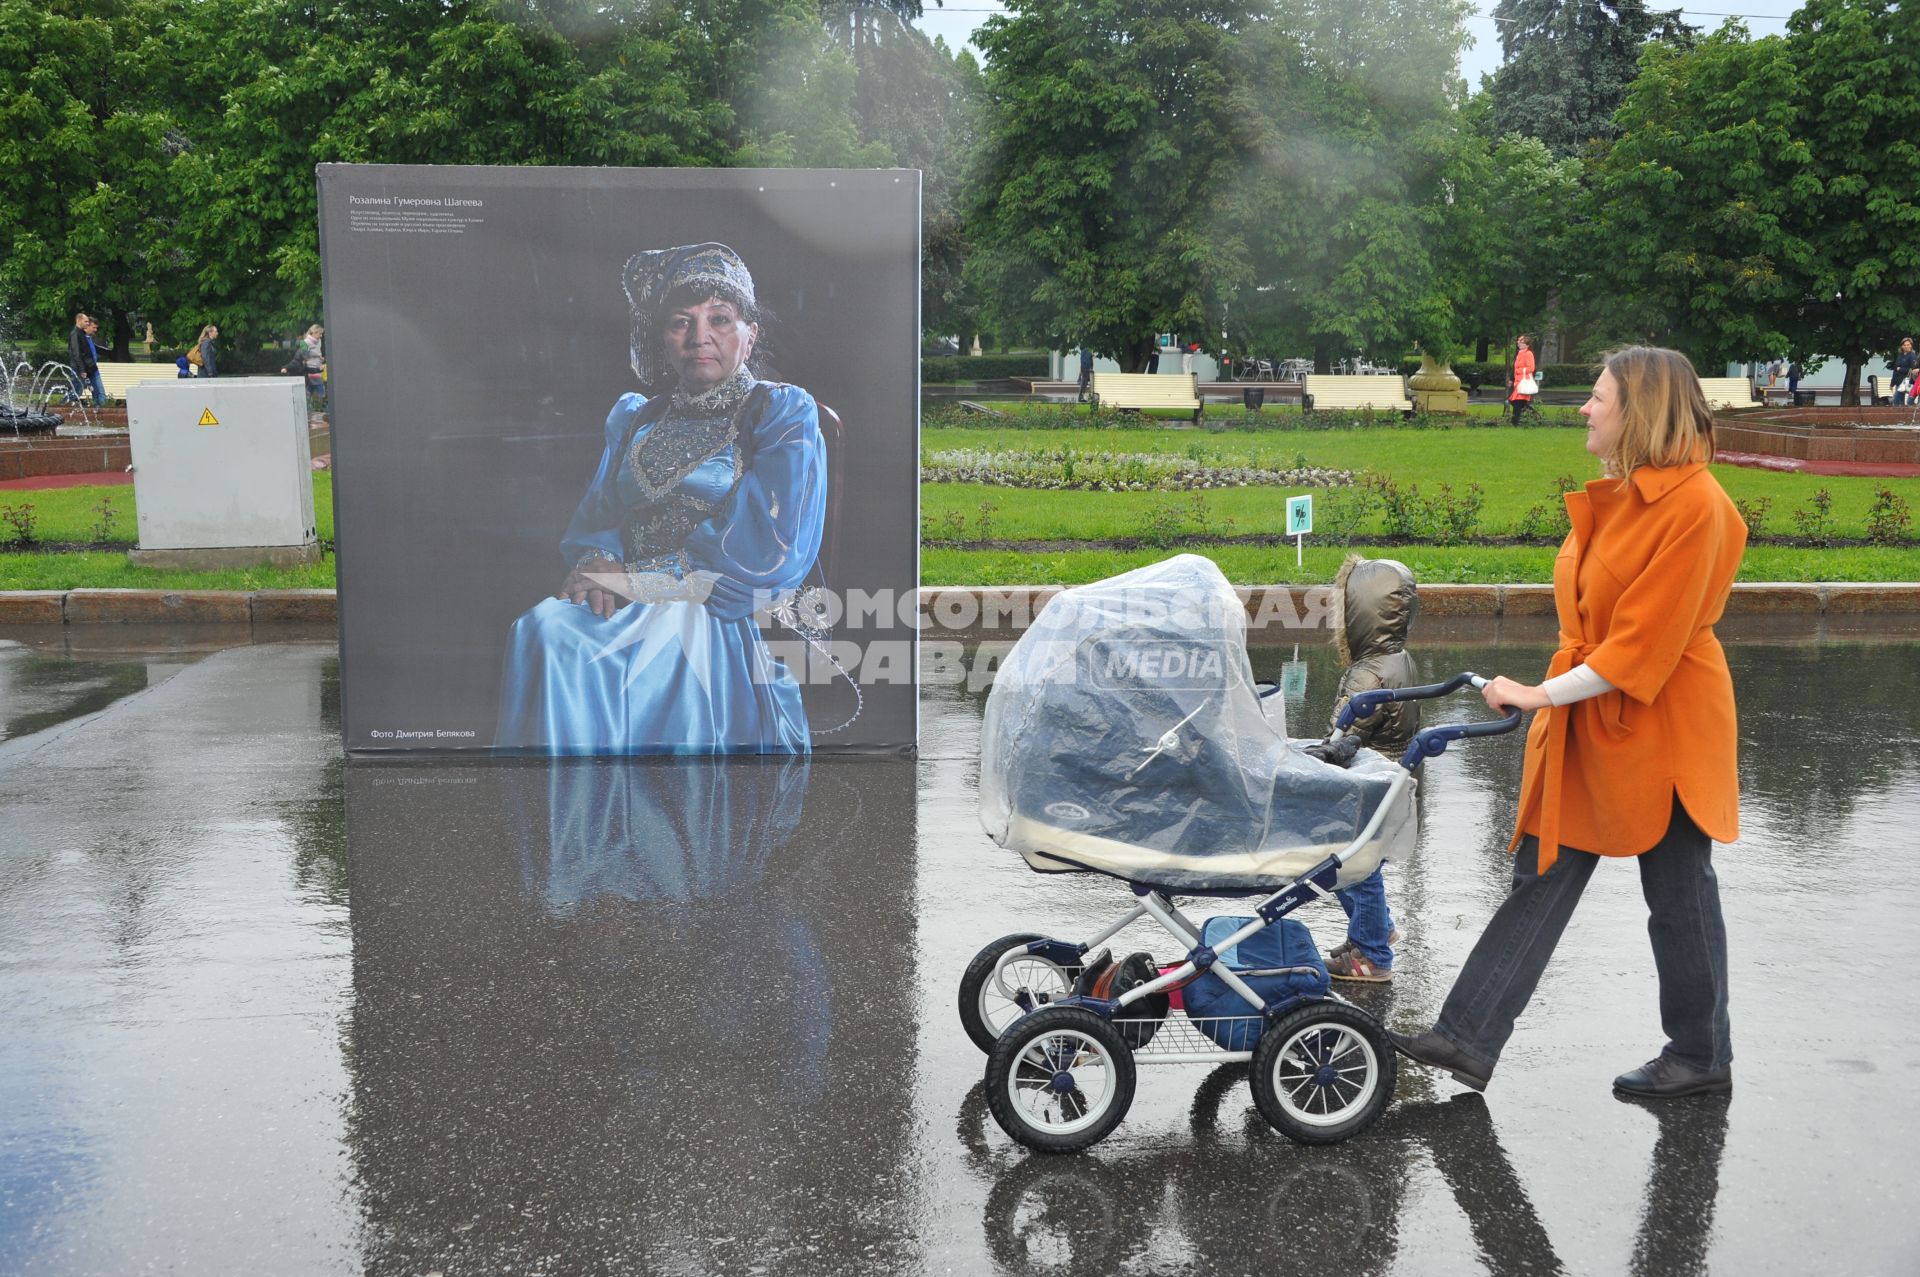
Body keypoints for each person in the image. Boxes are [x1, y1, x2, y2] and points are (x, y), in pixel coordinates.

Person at [1389, 345, 1746, 1100]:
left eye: (1599, 396)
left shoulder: (1697, 507)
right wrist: (1555, 693)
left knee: (1679, 894)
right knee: (1542, 869)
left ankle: (1700, 1053)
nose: (1585, 407)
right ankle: (1466, 1035)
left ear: (1638, 411)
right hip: (1601, 712)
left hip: (1668, 724)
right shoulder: (1632, 493)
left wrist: (1538, 694)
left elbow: (1640, 646)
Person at [496, 242, 828, 756]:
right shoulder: (637, 416)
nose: (700, 337)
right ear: (664, 338)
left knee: (586, 647)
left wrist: (636, 581)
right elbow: (602, 510)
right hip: (624, 592)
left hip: (711, 606)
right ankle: (572, 823)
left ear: (750, 333)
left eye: (720, 319)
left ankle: (647, 824)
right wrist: (598, 560)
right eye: (681, 322)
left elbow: (769, 547)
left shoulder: (778, 412)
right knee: (542, 630)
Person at [1305, 555, 1419, 981]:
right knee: (1362, 868)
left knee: (1355, 869)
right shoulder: (1397, 660)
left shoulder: (1368, 677)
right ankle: (1374, 932)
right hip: (1390, 783)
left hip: (1367, 793)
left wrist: (1313, 755)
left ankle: (1372, 955)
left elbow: (1339, 740)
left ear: (1360, 615)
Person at [67, 312, 104, 406]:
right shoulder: (75, 334)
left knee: (98, 393)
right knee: (76, 392)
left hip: (90, 367)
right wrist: (82, 370)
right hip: (81, 369)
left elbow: (87, 352)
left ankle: (100, 411)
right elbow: (76, 353)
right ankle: (64, 408)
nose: (88, 323)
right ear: (79, 321)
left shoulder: (82, 333)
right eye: (86, 321)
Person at [1508, 334, 1536, 424]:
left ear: (1527, 345)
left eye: (1521, 342)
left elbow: (1531, 368)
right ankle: (1536, 417)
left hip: (1524, 382)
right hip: (1518, 382)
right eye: (1518, 341)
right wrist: (1511, 378)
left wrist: (1519, 370)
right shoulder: (1519, 353)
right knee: (1518, 402)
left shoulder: (1529, 353)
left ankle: (1515, 423)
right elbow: (1514, 368)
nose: (1518, 343)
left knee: (1517, 402)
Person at [1892, 338, 1916, 406]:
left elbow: (1913, 369)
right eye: (1904, 345)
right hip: (1898, 381)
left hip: (1906, 381)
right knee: (1899, 402)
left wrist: (1901, 369)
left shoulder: (1912, 355)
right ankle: (1900, 415)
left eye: (1908, 345)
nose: (1906, 346)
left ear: (1911, 345)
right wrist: (1892, 383)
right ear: (1902, 346)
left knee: (1896, 401)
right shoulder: (1900, 355)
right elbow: (1895, 369)